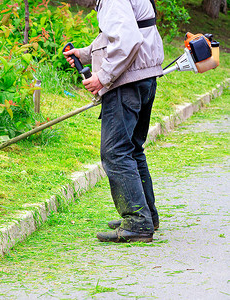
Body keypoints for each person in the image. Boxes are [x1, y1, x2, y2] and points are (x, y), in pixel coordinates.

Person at [63, 0, 164, 243]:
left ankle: (138, 223)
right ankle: (146, 214)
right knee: (133, 149)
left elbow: (128, 41)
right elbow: (123, 34)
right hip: (144, 78)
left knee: (115, 151)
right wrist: (86, 54)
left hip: (126, 83)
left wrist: (103, 77)